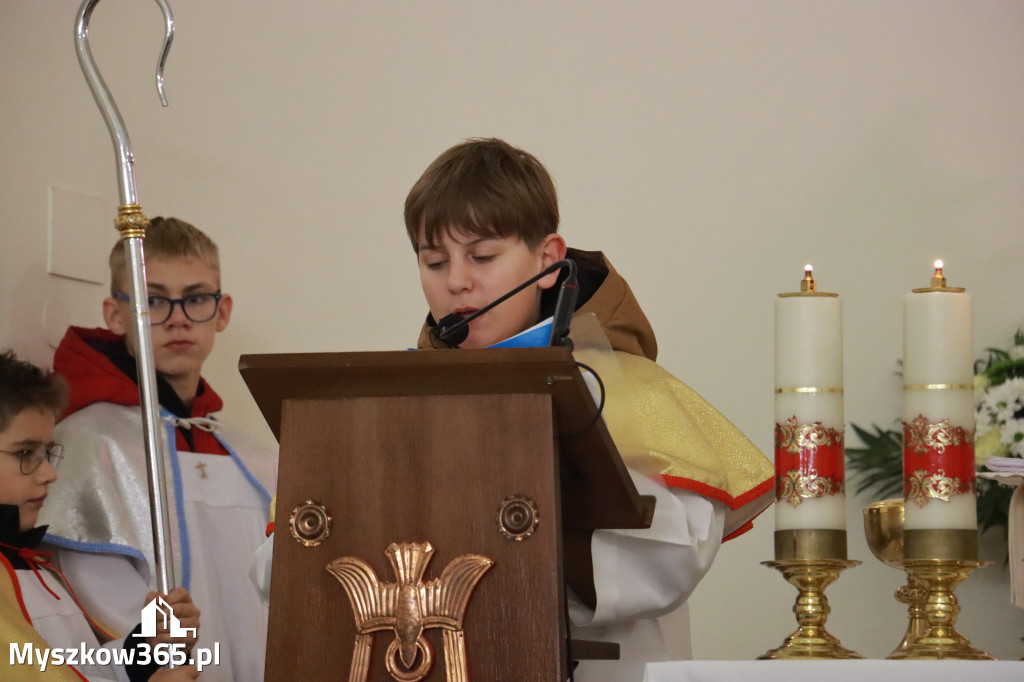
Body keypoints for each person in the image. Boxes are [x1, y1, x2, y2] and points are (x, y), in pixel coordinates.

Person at [404, 138, 775, 680]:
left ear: (549, 260)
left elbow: (666, 560)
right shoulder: (393, 402)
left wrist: (480, 563)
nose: (457, 280)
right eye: (434, 261)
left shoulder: (625, 390)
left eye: (482, 256)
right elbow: (286, 567)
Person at [39, 218, 277, 682]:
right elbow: (96, 613)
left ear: (222, 311)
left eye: (196, 298)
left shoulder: (256, 455)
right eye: (153, 300)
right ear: (115, 314)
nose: (178, 318)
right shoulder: (89, 443)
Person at [0, 349, 200, 681]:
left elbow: (74, 669)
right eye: (25, 453)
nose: (49, 473)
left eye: (47, 453)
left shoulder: (32, 569)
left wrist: (147, 644)